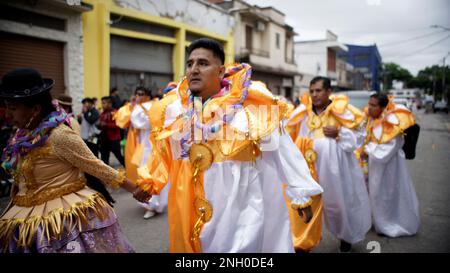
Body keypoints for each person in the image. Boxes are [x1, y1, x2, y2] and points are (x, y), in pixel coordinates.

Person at [135, 38, 323, 253]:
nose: (194, 69)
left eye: (203, 63)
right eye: (190, 64)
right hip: (190, 201)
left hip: (240, 204)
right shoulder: (176, 110)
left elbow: (282, 150)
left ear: (221, 71)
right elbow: (165, 150)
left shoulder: (252, 109)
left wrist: (301, 193)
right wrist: (150, 181)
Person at [0, 68, 146, 252]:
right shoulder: (21, 134)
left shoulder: (59, 135)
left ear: (35, 109)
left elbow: (96, 166)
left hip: (60, 222)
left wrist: (135, 189)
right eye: (7, 107)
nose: (8, 114)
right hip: (26, 221)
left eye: (13, 108)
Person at [286, 76, 371, 252]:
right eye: (312, 91)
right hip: (308, 167)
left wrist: (339, 133)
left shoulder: (343, 111)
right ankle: (302, 243)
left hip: (336, 168)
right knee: (304, 203)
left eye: (318, 90)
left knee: (340, 204)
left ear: (328, 92)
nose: (314, 95)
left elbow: (359, 137)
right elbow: (290, 135)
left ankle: (345, 237)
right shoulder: (302, 111)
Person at [360, 93, 419, 237]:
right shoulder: (370, 119)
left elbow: (388, 149)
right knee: (373, 194)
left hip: (389, 167)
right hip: (374, 166)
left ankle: (388, 224)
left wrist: (366, 150)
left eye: (373, 105)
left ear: (383, 107)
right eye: (369, 104)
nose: (370, 108)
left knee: (386, 195)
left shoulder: (392, 123)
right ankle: (375, 221)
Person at [115, 86, 169, 219]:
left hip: (151, 146)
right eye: (137, 94)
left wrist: (134, 108)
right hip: (143, 146)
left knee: (150, 175)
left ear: (147, 96)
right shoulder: (140, 107)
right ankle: (149, 202)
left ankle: (153, 204)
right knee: (145, 174)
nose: (138, 96)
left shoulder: (148, 106)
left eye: (141, 94)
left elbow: (139, 123)